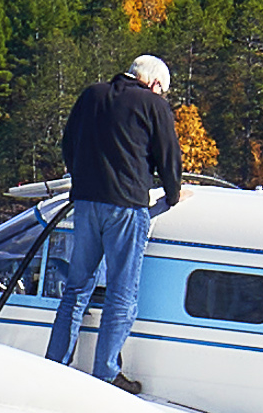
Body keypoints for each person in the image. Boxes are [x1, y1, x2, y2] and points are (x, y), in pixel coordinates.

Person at [35, 53, 182, 388]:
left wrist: (80, 177)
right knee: (121, 291)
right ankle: (106, 372)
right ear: (155, 83)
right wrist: (172, 195)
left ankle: (55, 365)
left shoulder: (92, 94)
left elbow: (69, 143)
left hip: (86, 203)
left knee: (76, 288)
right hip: (126, 207)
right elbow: (169, 157)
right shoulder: (153, 105)